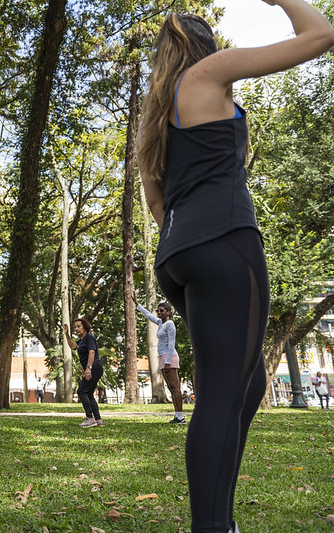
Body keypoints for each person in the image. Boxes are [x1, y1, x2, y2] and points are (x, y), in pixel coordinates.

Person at [137, 4, 334, 531]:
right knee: (225, 392)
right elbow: (319, 35)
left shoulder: (156, 114)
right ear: (207, 45)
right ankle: (213, 527)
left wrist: (185, 234)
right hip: (225, 240)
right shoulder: (209, 73)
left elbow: (155, 199)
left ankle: (222, 518)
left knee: (241, 387)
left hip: (178, 255)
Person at [133, 296, 185, 424]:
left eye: (162, 311)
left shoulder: (170, 324)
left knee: (175, 387)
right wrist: (137, 304)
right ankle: (178, 416)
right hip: (163, 357)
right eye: (159, 311)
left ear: (168, 312)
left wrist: (168, 362)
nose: (160, 313)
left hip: (170, 357)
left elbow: (171, 344)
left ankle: (181, 417)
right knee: (171, 388)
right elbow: (149, 316)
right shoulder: (161, 323)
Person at [65, 317, 104, 428]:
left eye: (79, 326)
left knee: (81, 391)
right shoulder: (82, 340)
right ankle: (98, 419)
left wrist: (88, 368)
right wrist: (67, 334)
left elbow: (91, 353)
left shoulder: (89, 338)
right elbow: (72, 346)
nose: (76, 329)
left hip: (94, 367)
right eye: (75, 327)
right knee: (89, 393)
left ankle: (90, 418)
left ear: (85, 327)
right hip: (94, 367)